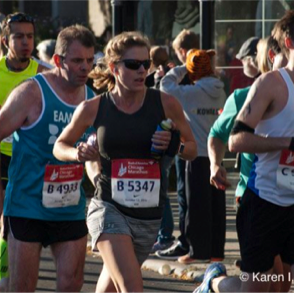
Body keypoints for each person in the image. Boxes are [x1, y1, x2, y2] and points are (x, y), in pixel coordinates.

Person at [199, 8, 294, 293]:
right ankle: (214, 283)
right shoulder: (270, 84)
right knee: (262, 288)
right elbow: (235, 140)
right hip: (265, 204)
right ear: (290, 43)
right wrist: (289, 143)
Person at [53, 31, 197, 293]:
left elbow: (193, 149)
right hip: (109, 208)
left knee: (110, 289)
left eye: (146, 64)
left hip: (148, 215)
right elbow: (59, 146)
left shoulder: (166, 104)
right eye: (133, 64)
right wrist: (78, 153)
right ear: (114, 68)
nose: (142, 70)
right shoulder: (94, 108)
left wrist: (175, 145)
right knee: (132, 287)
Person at [0, 24, 96, 294]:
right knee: (22, 288)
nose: (84, 68)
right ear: (57, 60)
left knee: (70, 285)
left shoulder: (91, 99)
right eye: (77, 61)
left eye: (89, 60)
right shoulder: (31, 92)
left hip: (69, 205)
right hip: (27, 205)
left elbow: (92, 152)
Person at [0, 12, 48, 284]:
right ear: (5, 40)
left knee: (12, 224)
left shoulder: (42, 74)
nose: (26, 42)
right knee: (6, 222)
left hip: (28, 160)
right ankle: (1, 281)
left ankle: (1, 285)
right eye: (19, 36)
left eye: (30, 36)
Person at [159, 49, 227, 264]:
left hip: (195, 154)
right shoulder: (221, 91)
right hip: (217, 155)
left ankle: (198, 251)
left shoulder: (190, 93)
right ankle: (216, 251)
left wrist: (182, 67)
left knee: (196, 206)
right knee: (217, 206)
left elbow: (165, 85)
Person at [153, 29, 199, 258]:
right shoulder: (206, 76)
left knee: (183, 193)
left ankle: (184, 241)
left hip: (184, 140)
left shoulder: (178, 76)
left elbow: (165, 91)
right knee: (190, 194)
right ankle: (192, 242)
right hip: (196, 141)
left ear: (183, 52)